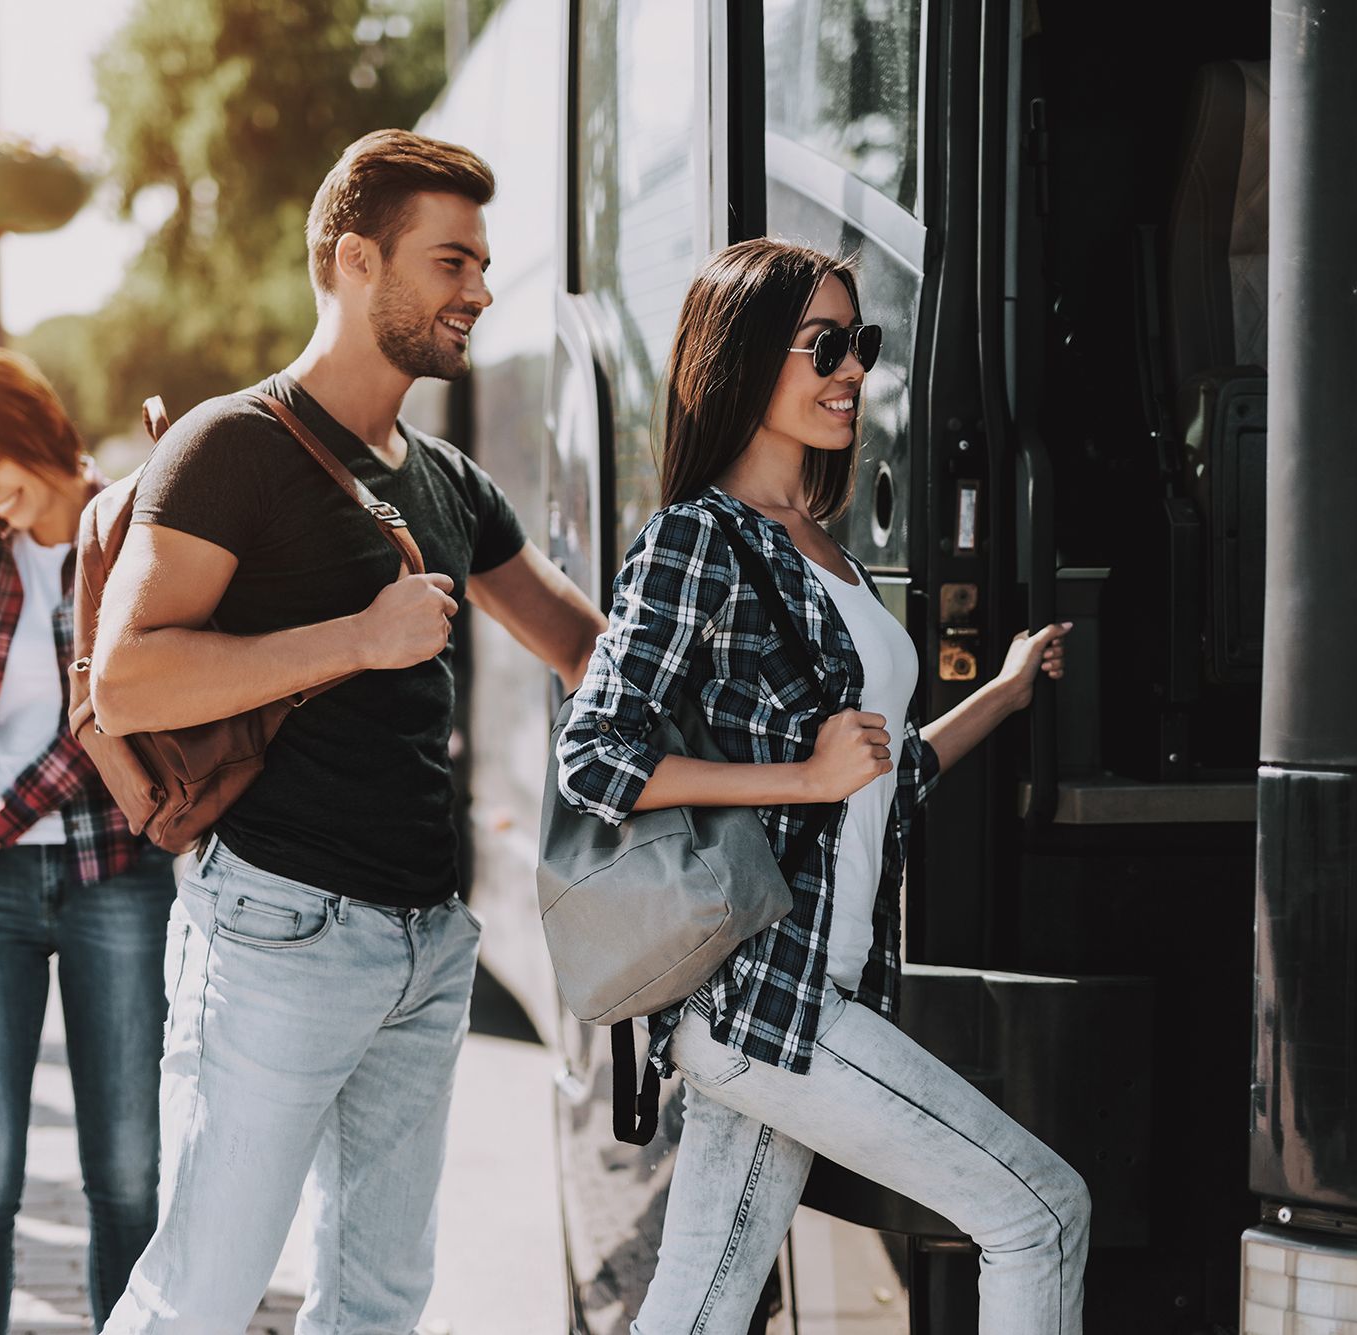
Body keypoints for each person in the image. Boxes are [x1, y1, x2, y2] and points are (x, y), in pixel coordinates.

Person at [92, 129, 607, 1334]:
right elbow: (123, 681)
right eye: (449, 262)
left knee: (379, 1299)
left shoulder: (444, 476)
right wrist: (354, 640)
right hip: (280, 932)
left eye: (480, 265)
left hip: (426, 947)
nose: (478, 291)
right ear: (352, 261)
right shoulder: (230, 447)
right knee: (202, 1294)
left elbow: (585, 649)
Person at [556, 238, 1089, 1333]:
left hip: (816, 994)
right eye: (824, 347)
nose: (852, 370)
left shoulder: (820, 548)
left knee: (699, 1304)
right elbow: (592, 755)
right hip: (761, 1003)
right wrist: (798, 774)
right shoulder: (697, 540)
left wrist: (998, 692)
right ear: (742, 359)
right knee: (1037, 1213)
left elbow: (881, 787)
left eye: (862, 344)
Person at [0, 347, 177, 1335]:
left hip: (118, 878)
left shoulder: (134, 527)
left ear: (33, 431)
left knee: (127, 1169)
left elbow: (106, 713)